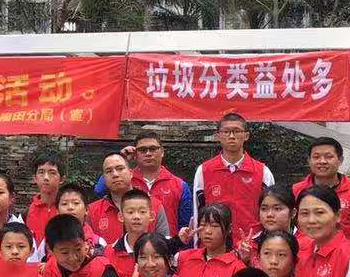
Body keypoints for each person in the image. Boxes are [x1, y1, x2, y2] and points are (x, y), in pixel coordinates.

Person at [191, 112, 274, 248]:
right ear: (218, 136)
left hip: (251, 244)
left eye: (236, 131)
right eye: (226, 131)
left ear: (246, 136)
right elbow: (197, 210)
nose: (231, 136)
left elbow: (271, 212)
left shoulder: (263, 172)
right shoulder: (204, 170)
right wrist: (197, 246)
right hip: (214, 246)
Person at [175, 203, 246, 277]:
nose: (207, 231)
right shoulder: (184, 258)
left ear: (229, 229)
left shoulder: (237, 268)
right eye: (203, 225)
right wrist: (178, 241)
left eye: (215, 226)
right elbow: (155, 256)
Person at [292, 139, 350, 241]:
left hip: (344, 249)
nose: (322, 161)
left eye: (329, 157)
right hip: (305, 249)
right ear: (309, 161)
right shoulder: (296, 190)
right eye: (316, 157)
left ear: (340, 160)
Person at [88, 153, 171, 243]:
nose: (115, 174)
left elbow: (164, 245)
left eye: (120, 169)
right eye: (109, 171)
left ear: (131, 173)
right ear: (104, 178)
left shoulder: (154, 205)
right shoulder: (92, 211)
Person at [125, 128, 193, 235]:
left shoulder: (179, 185)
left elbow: (186, 228)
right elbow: (100, 190)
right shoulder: (126, 180)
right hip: (131, 244)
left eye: (153, 149)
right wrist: (122, 159)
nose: (148, 153)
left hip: (168, 244)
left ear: (162, 152)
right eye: (142, 150)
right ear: (135, 154)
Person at [239, 184, 300, 265]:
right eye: (264, 209)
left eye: (277, 208)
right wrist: (244, 261)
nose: (269, 214)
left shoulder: (306, 245)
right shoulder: (248, 246)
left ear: (293, 213)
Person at [55, 182, 109, 251]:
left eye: (76, 203)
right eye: (64, 204)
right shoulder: (49, 240)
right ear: (57, 211)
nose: (70, 207)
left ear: (86, 210)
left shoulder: (98, 242)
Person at [25, 153, 63, 244]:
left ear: (62, 179)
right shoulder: (27, 212)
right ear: (35, 178)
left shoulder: (67, 208)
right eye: (41, 172)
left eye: (52, 173)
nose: (46, 178)